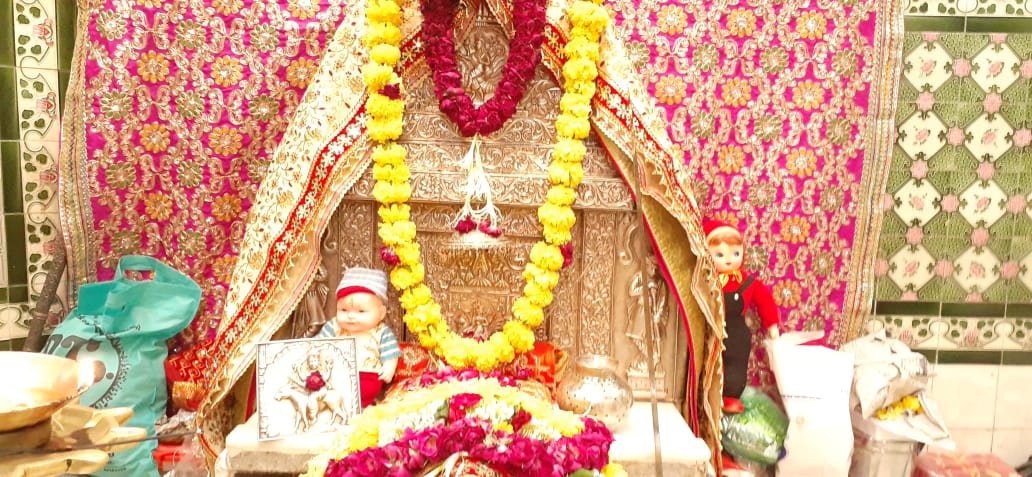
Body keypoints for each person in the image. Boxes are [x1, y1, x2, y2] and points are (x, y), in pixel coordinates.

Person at [703, 219, 780, 415]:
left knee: (736, 364)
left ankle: (730, 395)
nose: (729, 260)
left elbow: (765, 301)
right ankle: (705, 395)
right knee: (709, 361)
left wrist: (772, 326)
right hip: (711, 329)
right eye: (720, 255)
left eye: (735, 254)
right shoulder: (705, 280)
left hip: (737, 332)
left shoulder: (747, 283)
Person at [319, 267, 400, 408]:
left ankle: (364, 406)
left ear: (381, 313)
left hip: (368, 377)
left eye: (361, 311)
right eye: (344, 310)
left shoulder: (380, 332)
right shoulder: (334, 326)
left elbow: (391, 353)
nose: (351, 316)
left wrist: (389, 367)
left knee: (366, 393)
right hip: (338, 374)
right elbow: (318, 345)